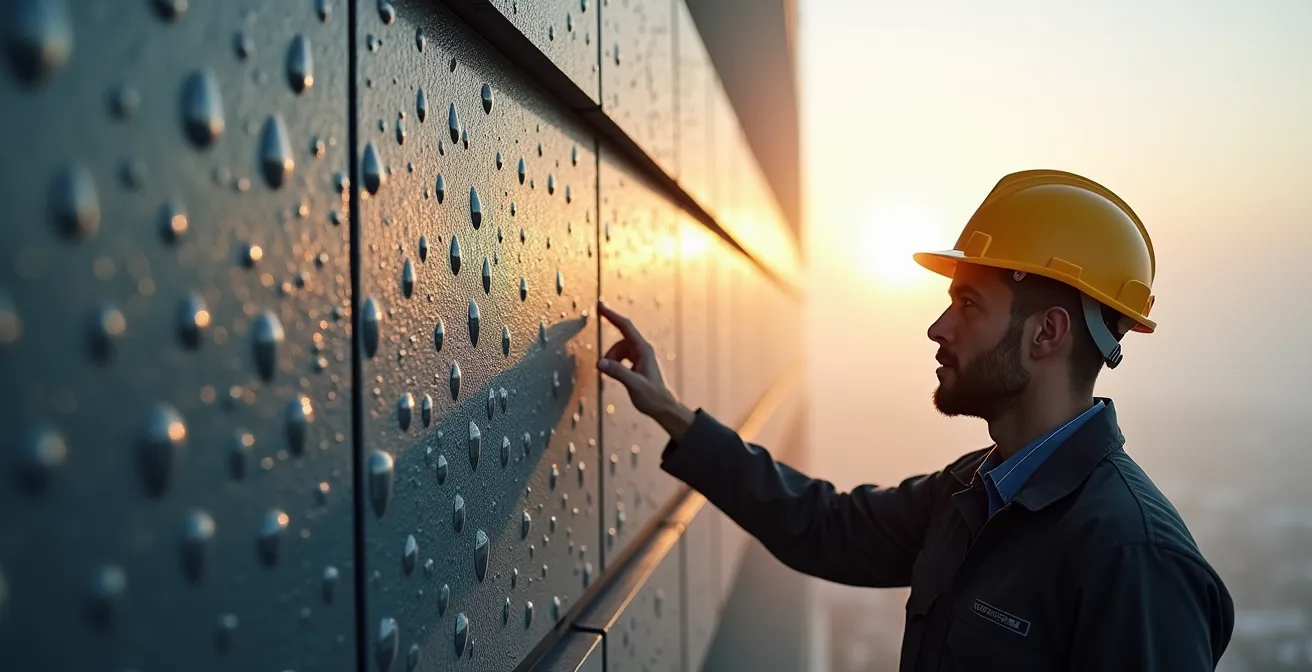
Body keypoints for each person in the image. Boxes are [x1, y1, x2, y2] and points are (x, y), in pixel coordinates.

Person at [594, 170, 1235, 671]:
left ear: (1047, 333)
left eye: (969, 303)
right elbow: (824, 525)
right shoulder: (970, 494)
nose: (938, 327)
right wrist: (672, 413)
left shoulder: (1133, 557)